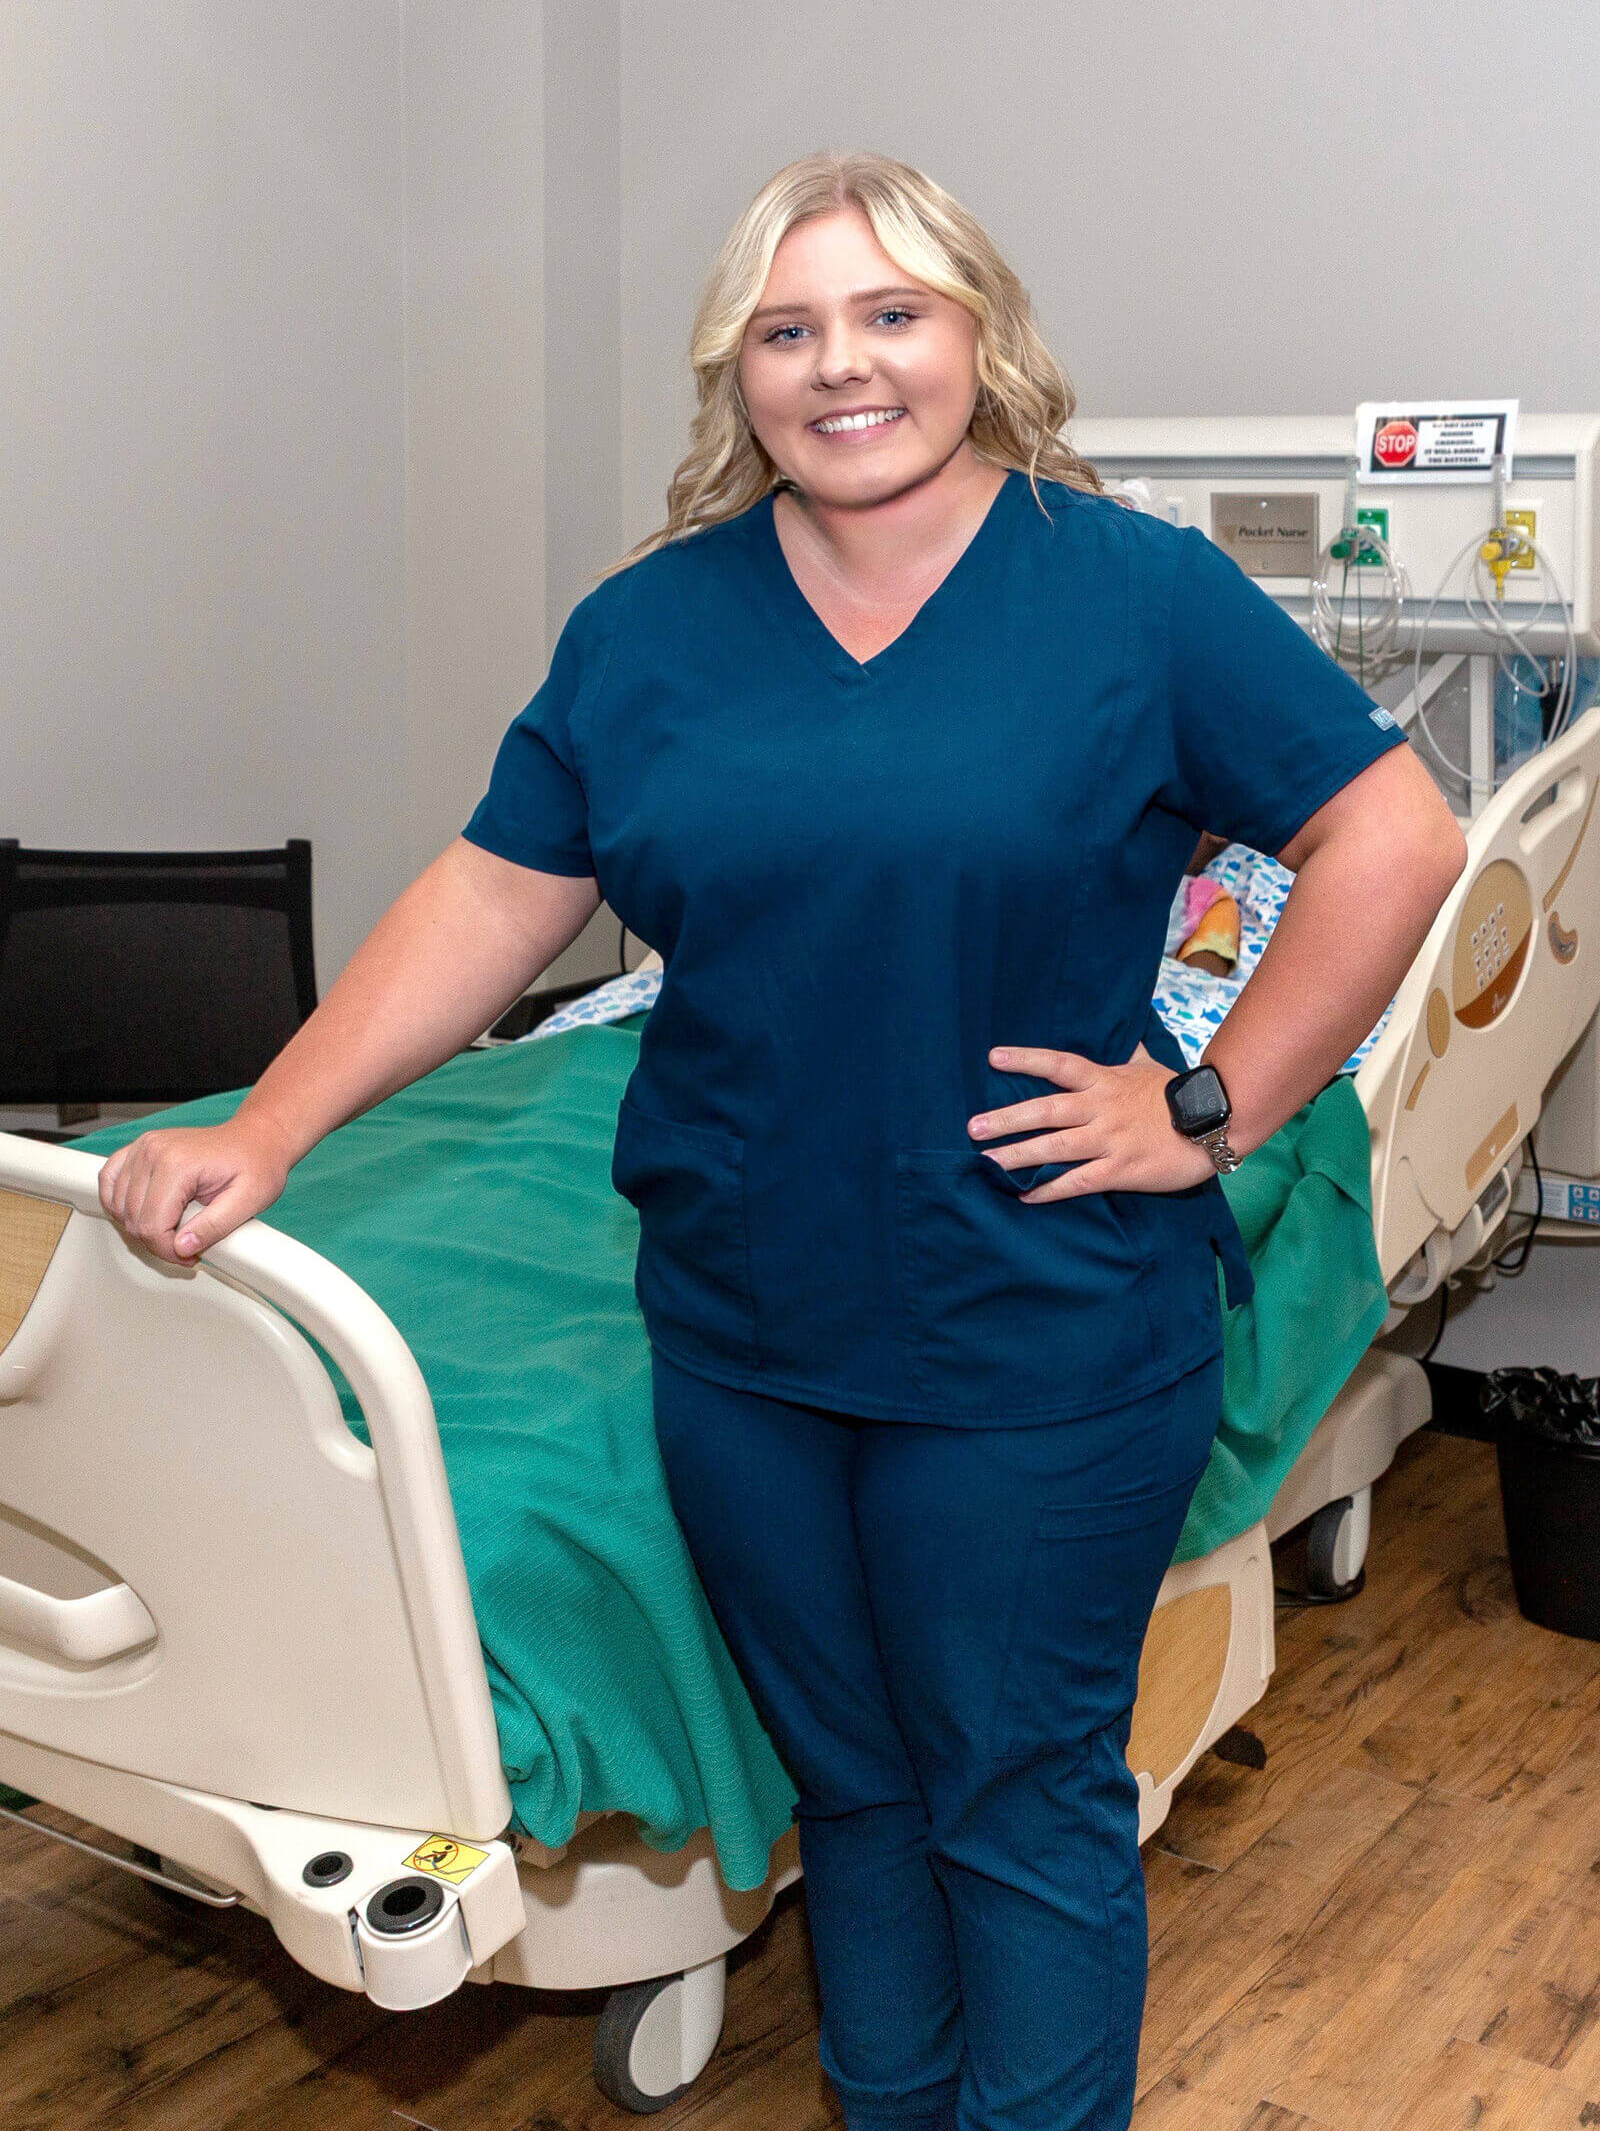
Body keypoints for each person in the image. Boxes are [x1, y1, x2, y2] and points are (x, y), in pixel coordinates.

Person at [98, 152, 1466, 2131]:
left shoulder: (1131, 596)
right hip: (743, 1331)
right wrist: (275, 1123)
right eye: (787, 328)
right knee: (858, 1792)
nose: (843, 364)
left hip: (1035, 1330)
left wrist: (1205, 1106)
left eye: (892, 314)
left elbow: (1392, 834)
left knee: (1013, 1797)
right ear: (735, 372)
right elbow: (496, 894)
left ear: (979, 339)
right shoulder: (652, 628)